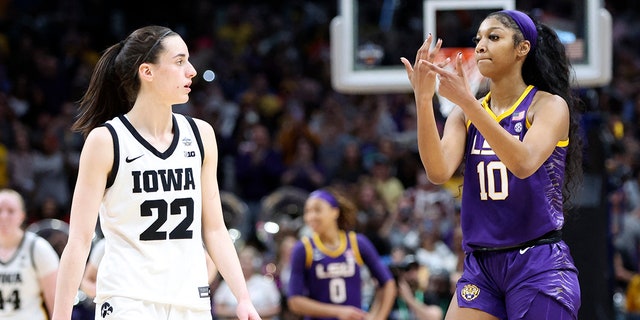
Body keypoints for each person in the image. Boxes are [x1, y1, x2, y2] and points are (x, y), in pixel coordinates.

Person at [52, 25, 261, 320]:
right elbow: (79, 239)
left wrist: (243, 297)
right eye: (179, 62)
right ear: (147, 72)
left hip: (190, 299)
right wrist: (61, 316)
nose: (191, 71)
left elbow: (214, 229)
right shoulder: (106, 140)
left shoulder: (201, 135)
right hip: (128, 299)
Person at [400, 9, 582, 320]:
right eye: (479, 39)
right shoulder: (465, 114)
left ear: (521, 49)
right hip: (481, 265)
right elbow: (438, 171)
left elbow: (523, 163)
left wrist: (467, 102)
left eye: (493, 37)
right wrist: (423, 99)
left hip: (537, 262)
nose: (481, 45)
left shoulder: (549, 106)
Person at [287, 187, 396, 320]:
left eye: (317, 210)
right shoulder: (303, 248)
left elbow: (388, 283)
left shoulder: (357, 242)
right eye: (308, 211)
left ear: (335, 212)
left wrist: (379, 316)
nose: (311, 216)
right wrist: (338, 311)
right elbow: (294, 302)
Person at [0, 188, 59, 319]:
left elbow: (55, 302)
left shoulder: (38, 248)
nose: (4, 216)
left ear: (21, 216)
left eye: (10, 211)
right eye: (0, 211)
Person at [213, 245, 281, 319]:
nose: (244, 265)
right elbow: (217, 308)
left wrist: (252, 314)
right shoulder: (227, 283)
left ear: (256, 262)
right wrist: (238, 313)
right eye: (242, 260)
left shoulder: (266, 283)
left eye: (248, 260)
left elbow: (276, 308)